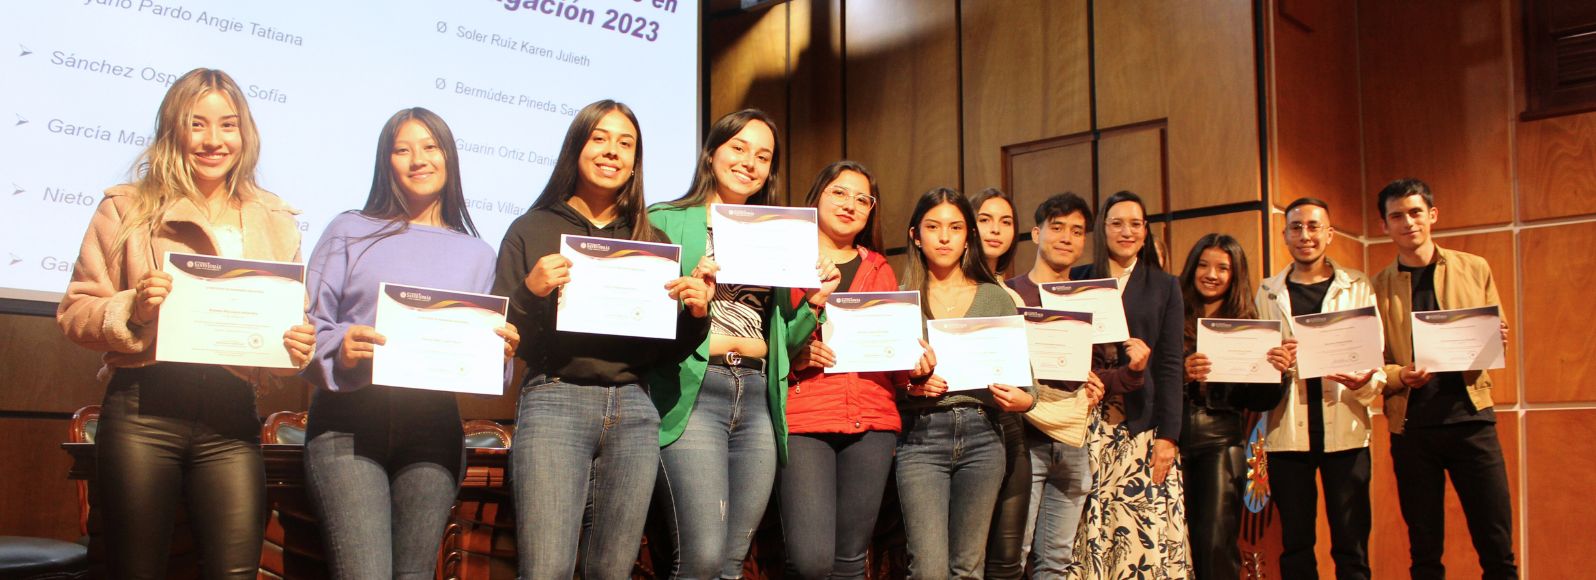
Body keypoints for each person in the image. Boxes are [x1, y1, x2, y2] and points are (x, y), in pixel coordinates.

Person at [57, 67, 313, 579]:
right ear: (173, 130)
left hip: (232, 418)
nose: (214, 140)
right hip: (143, 413)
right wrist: (133, 309)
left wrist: (295, 346)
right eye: (197, 124)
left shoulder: (274, 218)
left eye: (228, 125)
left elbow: (288, 330)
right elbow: (76, 310)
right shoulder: (126, 207)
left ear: (245, 133)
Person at [493, 100, 711, 579]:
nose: (612, 151)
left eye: (625, 143)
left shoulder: (651, 240)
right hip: (555, 398)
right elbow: (503, 336)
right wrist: (529, 291)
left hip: (633, 408)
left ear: (635, 162)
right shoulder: (531, 229)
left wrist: (696, 314)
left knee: (612, 570)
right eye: (600, 138)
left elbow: (662, 352)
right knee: (546, 569)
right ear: (576, 148)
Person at [300, 108, 517, 579]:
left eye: (430, 147)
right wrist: (341, 347)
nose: (418, 159)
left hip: (433, 429)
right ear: (386, 162)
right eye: (402, 150)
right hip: (348, 423)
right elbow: (308, 324)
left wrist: (499, 352)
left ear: (449, 157)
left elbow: (485, 364)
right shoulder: (348, 229)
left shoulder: (478, 253)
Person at [647, 109, 841, 579]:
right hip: (695, 390)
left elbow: (784, 339)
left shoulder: (777, 231)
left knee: (733, 562)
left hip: (756, 396)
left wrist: (814, 303)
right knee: (702, 557)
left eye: (763, 156)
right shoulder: (665, 219)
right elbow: (641, 314)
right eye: (738, 148)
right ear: (712, 152)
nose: (749, 162)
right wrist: (690, 295)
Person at [1371, 179, 1517, 579]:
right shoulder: (1376, 287)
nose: (1408, 223)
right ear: (1384, 225)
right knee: (1424, 554)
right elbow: (1373, 365)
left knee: (1497, 548)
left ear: (1432, 215)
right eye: (1397, 216)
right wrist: (1402, 374)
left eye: (1415, 212)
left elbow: (1497, 336)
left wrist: (1496, 338)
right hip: (1412, 429)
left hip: (1473, 421)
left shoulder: (1474, 268)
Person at [895, 187, 1036, 579]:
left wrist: (1022, 400)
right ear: (915, 236)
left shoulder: (995, 298)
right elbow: (885, 386)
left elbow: (1029, 385)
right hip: (921, 436)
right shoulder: (901, 301)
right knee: (928, 568)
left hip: (984, 436)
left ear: (968, 236)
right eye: (933, 227)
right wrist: (912, 388)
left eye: (955, 227)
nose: (944, 237)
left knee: (968, 567)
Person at [779, 160, 900, 580]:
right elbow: (766, 337)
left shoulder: (881, 268)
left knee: (851, 560)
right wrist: (793, 357)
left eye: (863, 199)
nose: (850, 205)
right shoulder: (785, 259)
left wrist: (916, 363)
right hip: (804, 417)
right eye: (839, 192)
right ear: (817, 196)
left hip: (872, 421)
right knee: (810, 561)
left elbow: (893, 349)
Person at [1254, 197, 1383, 580]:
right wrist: (1275, 362)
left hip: (1346, 428)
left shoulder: (1357, 286)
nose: (1305, 235)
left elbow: (1375, 357)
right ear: (1285, 235)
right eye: (1296, 227)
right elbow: (1258, 364)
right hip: (1287, 432)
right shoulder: (1267, 291)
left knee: (1351, 544)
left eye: (1313, 226)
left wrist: (1365, 382)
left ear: (1329, 234)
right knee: (1295, 545)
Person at [1064, 190, 1189, 578]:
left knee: (1137, 528)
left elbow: (1171, 365)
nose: (1126, 231)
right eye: (1117, 223)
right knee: (1085, 526)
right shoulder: (1078, 278)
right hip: (1084, 419)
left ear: (1146, 230)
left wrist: (1168, 436)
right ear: (1103, 228)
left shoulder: (1164, 285)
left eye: (1135, 224)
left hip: (1140, 425)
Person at [1176, 234, 1292, 579]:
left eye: (1222, 268)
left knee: (1215, 543)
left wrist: (1278, 374)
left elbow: (1259, 402)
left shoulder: (1249, 324)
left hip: (1221, 442)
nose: (1211, 274)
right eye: (1203, 265)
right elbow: (1149, 376)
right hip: (1166, 440)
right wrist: (1183, 372)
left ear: (1235, 274)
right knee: (1169, 543)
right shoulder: (1171, 313)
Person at [1002, 192, 1102, 579]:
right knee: (1015, 555)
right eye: (1057, 227)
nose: (1066, 238)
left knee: (1057, 561)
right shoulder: (1009, 293)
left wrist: (1100, 384)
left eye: (1076, 231)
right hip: (1025, 437)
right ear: (1035, 233)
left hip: (1073, 439)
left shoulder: (1091, 299)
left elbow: (1104, 366)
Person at [968, 186, 1031, 580]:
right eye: (985, 219)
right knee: (966, 559)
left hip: (1012, 426)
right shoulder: (948, 288)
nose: (995, 230)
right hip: (963, 426)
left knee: (1007, 559)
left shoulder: (1015, 294)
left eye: (1006, 222)